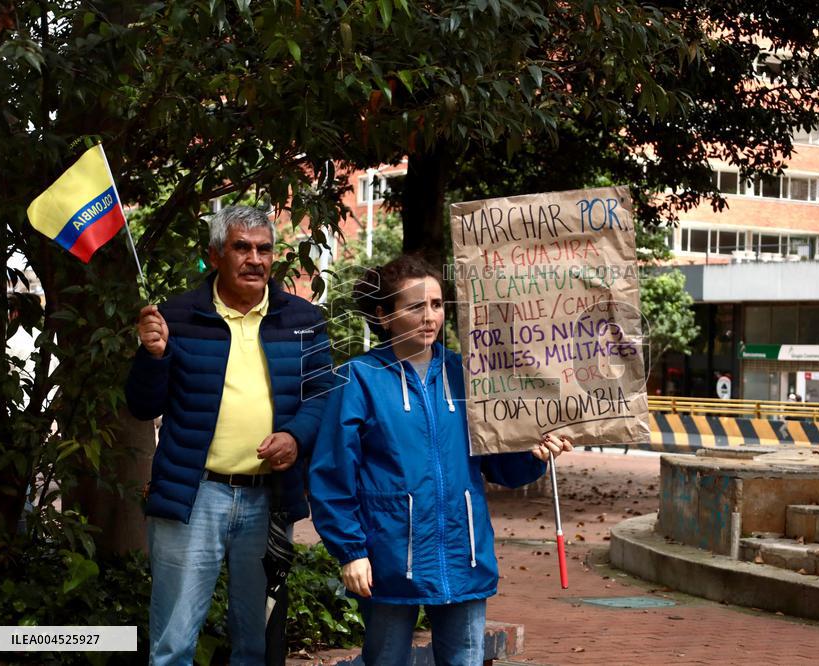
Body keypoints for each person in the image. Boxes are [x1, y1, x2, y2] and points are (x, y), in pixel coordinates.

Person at [309, 255, 572, 666]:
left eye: (436, 304)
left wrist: (533, 455)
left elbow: (501, 465)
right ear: (384, 315)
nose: (429, 317)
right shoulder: (357, 378)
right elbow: (331, 475)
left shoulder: (468, 375)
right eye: (416, 306)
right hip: (389, 560)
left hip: (464, 556)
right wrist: (351, 551)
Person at [125, 206, 334, 665]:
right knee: (173, 643)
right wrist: (152, 356)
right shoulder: (175, 317)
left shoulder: (303, 319)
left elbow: (322, 394)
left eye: (264, 249)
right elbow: (143, 406)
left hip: (269, 498)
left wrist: (296, 438)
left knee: (256, 644)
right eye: (242, 247)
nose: (255, 259)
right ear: (216, 255)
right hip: (192, 494)